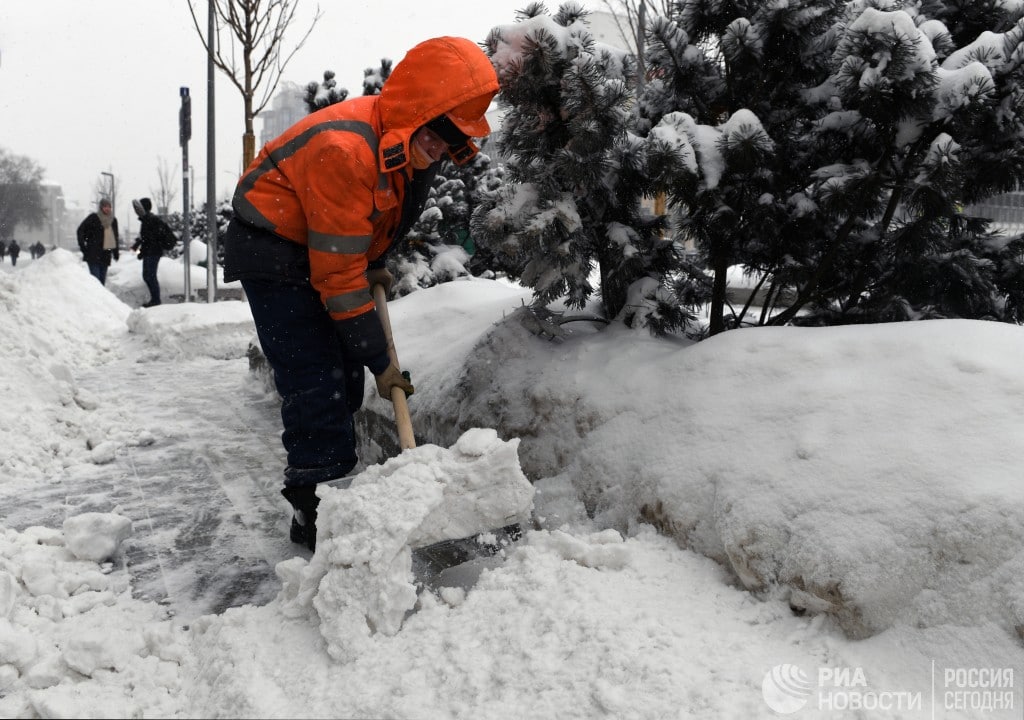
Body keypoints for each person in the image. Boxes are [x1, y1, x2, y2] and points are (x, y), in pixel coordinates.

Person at [223, 35, 499, 551]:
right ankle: (316, 512)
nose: (440, 149)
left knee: (342, 377)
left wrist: (369, 264)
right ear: (417, 114)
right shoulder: (345, 150)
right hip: (273, 245)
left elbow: (373, 217)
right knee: (313, 375)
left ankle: (337, 484)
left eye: (449, 140)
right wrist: (380, 360)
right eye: (437, 137)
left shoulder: (412, 146)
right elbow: (337, 278)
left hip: (321, 242)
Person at [131, 197, 172, 307]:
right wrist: (139, 248)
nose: (137, 211)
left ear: (143, 208)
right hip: (151, 252)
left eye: (139, 208)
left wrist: (141, 252)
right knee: (147, 276)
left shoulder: (150, 220)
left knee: (150, 276)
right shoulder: (146, 220)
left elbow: (149, 239)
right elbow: (145, 238)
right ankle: (154, 299)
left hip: (153, 252)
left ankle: (156, 300)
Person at [77, 199, 120, 285]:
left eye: (109, 206)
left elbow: (115, 237)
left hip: (105, 255)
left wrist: (115, 252)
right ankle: (94, 298)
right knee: (96, 283)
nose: (107, 208)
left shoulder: (113, 220)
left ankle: (100, 298)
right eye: (105, 206)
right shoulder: (93, 218)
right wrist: (83, 247)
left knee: (102, 282)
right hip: (93, 254)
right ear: (101, 207)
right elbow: (80, 230)